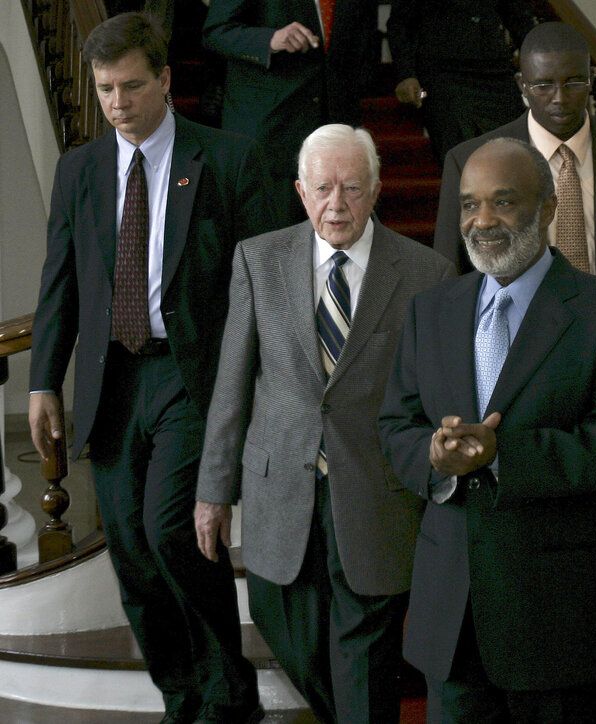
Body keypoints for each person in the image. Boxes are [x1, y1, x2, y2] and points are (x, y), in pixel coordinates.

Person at [28, 13, 272, 723]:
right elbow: (60, 283)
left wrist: (251, 387)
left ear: (165, 80)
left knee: (173, 529)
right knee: (131, 551)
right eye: (105, 89)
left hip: (189, 377)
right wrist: (44, 378)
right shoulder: (79, 169)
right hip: (112, 381)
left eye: (131, 86)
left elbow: (257, 288)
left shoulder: (228, 159)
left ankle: (230, 695)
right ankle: (184, 697)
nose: (116, 103)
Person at [378, 137, 596, 722]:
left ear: (548, 208)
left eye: (503, 202)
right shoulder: (431, 312)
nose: (482, 221)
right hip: (450, 621)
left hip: (563, 622)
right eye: (469, 204)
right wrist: (433, 455)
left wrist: (503, 456)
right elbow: (396, 423)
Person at [194, 124, 454, 723]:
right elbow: (231, 383)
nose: (337, 205)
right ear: (300, 191)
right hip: (278, 489)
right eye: (323, 189)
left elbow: (430, 399)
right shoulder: (258, 259)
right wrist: (214, 491)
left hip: (376, 492)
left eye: (352, 189)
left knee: (364, 652)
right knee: (282, 623)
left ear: (378, 190)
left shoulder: (425, 273)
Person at [432, 21, 596, 455]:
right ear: (521, 85)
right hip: (518, 365)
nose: (559, 97)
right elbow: (450, 281)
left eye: (573, 82)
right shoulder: (473, 160)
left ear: (593, 79)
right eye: (543, 84)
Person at [202, 0, 378, 224]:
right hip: (273, 130)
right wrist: (271, 40)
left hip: (335, 125)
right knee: (273, 239)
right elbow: (215, 31)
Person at [386, 0, 535, 163]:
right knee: (460, 159)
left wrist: (540, 63)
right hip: (443, 74)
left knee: (514, 155)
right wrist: (406, 74)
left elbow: (519, 19)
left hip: (495, 72)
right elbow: (399, 23)